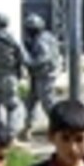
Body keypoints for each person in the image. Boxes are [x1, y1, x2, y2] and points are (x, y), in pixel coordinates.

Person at [19, 13, 60, 142]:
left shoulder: (42, 40)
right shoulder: (43, 37)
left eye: (30, 29)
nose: (28, 32)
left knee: (47, 103)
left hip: (45, 76)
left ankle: (59, 127)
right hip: (37, 75)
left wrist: (28, 61)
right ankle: (27, 128)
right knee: (30, 102)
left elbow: (43, 58)